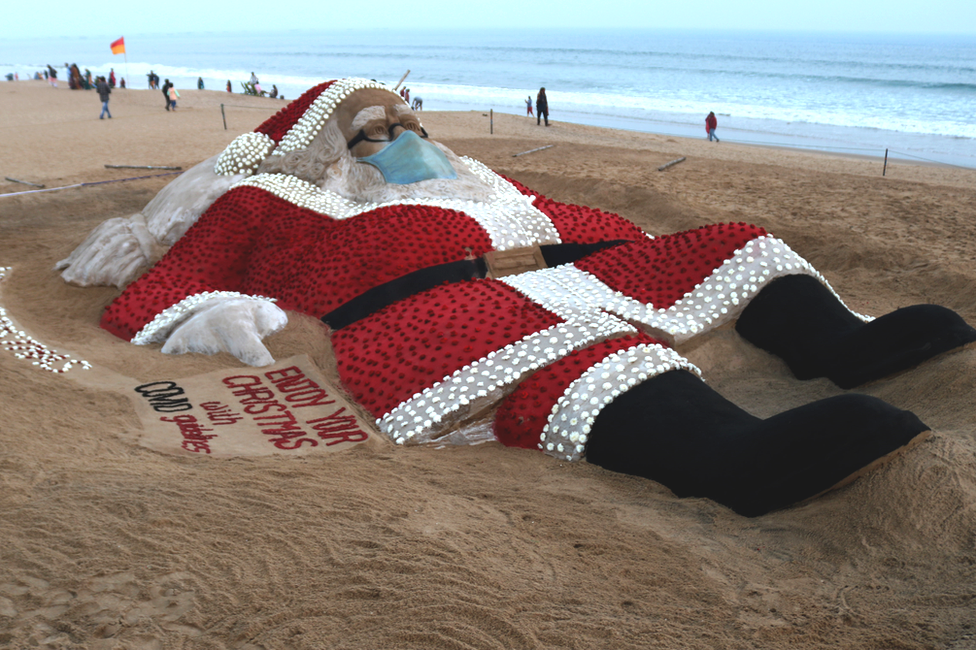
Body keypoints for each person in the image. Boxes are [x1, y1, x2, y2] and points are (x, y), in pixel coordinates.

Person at [57, 78, 976, 518]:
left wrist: (644, 249)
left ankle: (839, 343)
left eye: (407, 116)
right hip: (430, 303)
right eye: (375, 127)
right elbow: (159, 292)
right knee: (554, 336)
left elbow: (579, 215)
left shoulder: (480, 176)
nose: (404, 132)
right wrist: (222, 317)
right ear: (329, 143)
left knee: (727, 241)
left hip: (573, 257)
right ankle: (730, 455)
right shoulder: (276, 200)